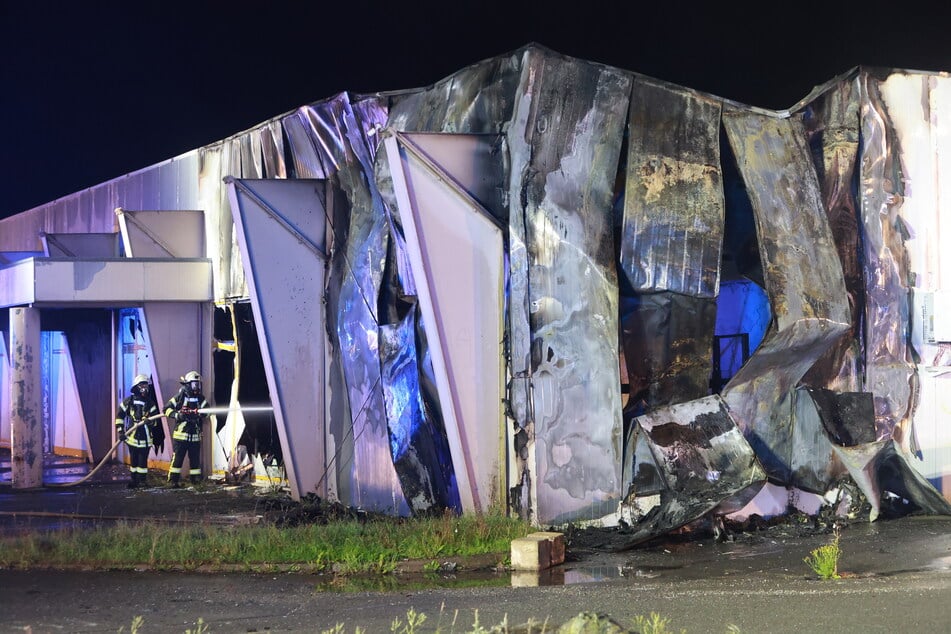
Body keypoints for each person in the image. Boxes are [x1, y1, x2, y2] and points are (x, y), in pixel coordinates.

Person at [115, 374, 164, 489]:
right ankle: (134, 480)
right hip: (131, 437)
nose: (145, 388)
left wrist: (150, 422)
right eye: (142, 385)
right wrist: (121, 431)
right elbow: (119, 416)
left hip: (145, 439)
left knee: (142, 462)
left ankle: (142, 481)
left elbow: (156, 421)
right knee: (134, 461)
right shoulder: (129, 401)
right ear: (136, 387)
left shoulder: (150, 403)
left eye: (146, 385)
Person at [164, 370, 210, 487]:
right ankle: (173, 481)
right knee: (177, 460)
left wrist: (200, 414)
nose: (196, 387)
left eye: (198, 384)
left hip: (195, 436)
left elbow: (208, 411)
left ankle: (195, 481)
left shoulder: (200, 398)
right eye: (194, 384)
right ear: (188, 384)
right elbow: (166, 409)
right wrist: (177, 415)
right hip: (180, 436)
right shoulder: (180, 397)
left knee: (195, 460)